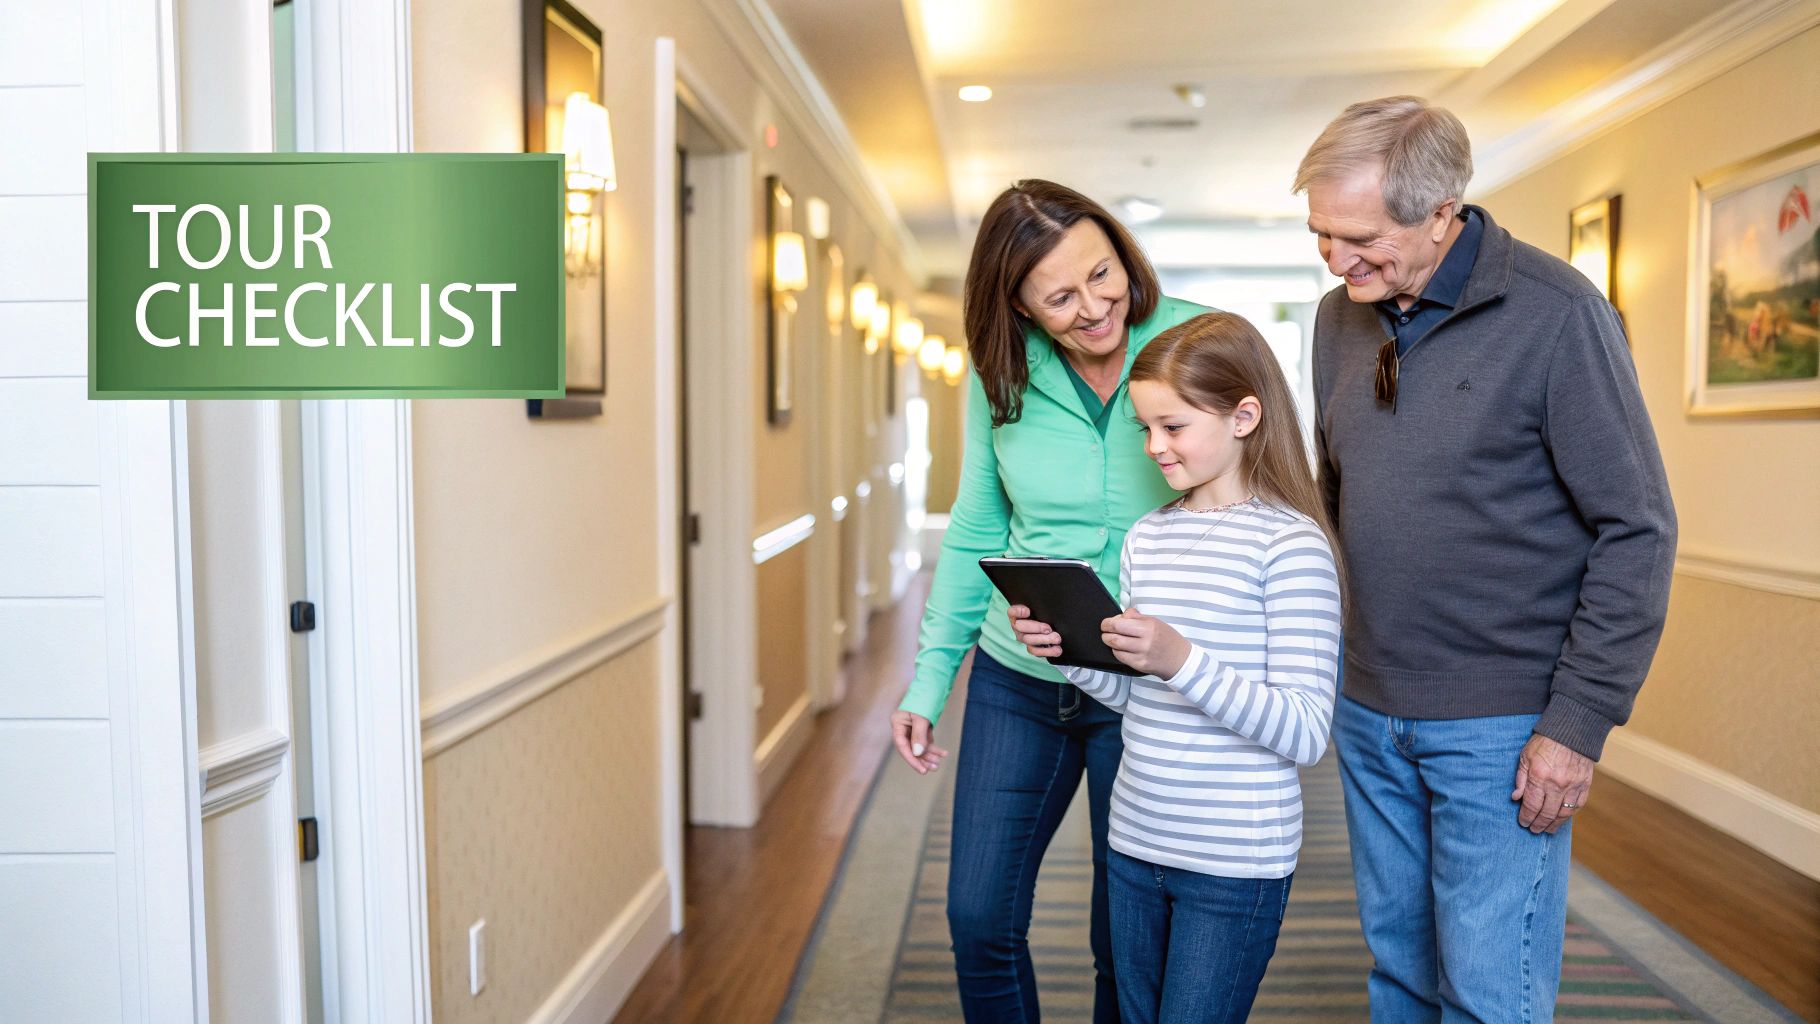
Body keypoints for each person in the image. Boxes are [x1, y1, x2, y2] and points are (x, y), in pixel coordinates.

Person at [1295, 96, 1677, 1021]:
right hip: (1369, 708)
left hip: (1503, 729)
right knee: (1398, 973)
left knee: (1487, 992)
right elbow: (1340, 498)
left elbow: (1638, 529)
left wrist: (1575, 726)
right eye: (1320, 235)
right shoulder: (1339, 318)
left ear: (1441, 212)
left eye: (1359, 238)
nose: (1337, 260)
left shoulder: (1561, 316)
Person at [889, 179, 1209, 1023]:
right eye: (1059, 298)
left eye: (1102, 276)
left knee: (1124, 937)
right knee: (978, 917)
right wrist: (930, 679)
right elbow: (975, 528)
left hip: (1145, 688)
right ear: (1018, 305)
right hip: (1017, 675)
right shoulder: (1000, 368)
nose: (1094, 308)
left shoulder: (1195, 337)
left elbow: (1249, 499)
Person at [1008, 311, 1343, 1024]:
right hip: (1134, 840)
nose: (1155, 447)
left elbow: (1307, 731)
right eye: (1145, 429)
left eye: (1174, 426)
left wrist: (1181, 659)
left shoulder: (1291, 547)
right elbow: (1143, 699)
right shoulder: (1149, 536)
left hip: (1234, 862)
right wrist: (1069, 655)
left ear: (1245, 415)